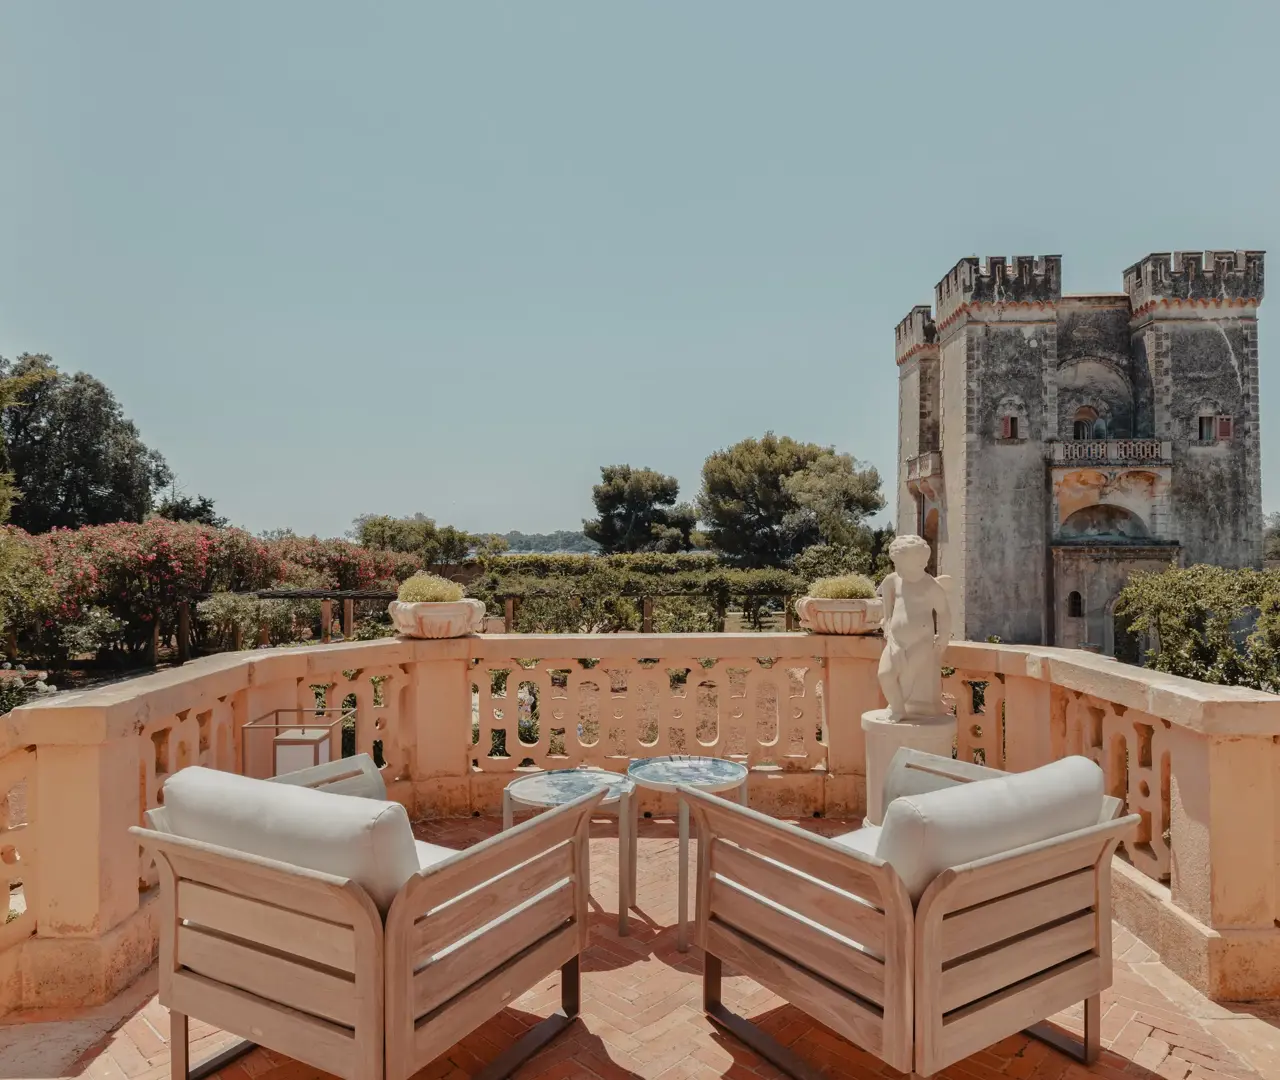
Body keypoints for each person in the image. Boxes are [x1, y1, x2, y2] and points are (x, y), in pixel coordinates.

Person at [877, 534, 952, 721]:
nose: (898, 568)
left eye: (922, 563)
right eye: (897, 564)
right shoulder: (894, 579)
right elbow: (886, 598)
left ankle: (897, 710)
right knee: (885, 675)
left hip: (921, 642)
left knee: (907, 677)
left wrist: (943, 636)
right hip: (896, 641)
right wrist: (886, 621)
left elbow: (944, 612)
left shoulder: (929, 585)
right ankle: (897, 707)